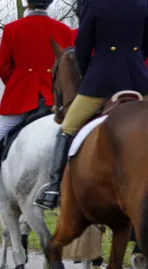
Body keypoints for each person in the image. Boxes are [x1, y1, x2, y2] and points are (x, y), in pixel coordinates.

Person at [34, 0, 148, 210]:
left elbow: (83, 46)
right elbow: (146, 44)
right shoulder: (143, 4)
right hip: (138, 81)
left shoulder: (94, 5)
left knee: (67, 127)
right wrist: (136, 63)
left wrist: (88, 75)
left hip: (102, 80)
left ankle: (53, 188)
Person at [0, 0, 73, 206]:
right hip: (54, 98)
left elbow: (3, 68)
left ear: (27, 3)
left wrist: (18, 83)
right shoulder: (64, 30)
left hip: (21, 97)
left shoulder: (12, 29)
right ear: (49, 3)